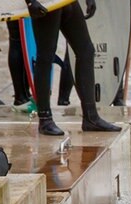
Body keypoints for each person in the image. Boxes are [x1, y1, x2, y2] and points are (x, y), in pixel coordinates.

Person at [25, 0, 120, 135]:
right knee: (46, 57)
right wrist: (30, 2)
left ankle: (91, 117)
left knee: (86, 51)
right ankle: (45, 120)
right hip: (46, 3)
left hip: (67, 2)